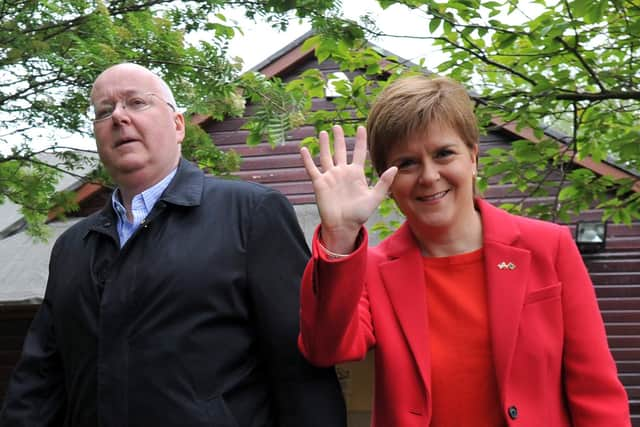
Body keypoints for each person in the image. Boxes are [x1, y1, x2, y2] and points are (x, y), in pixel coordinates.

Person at [0, 63, 346, 427]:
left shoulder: (250, 214)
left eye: (136, 102)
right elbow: (39, 381)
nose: (118, 116)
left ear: (178, 125)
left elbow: (299, 368)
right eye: (104, 111)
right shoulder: (73, 246)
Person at [297, 75, 631, 426]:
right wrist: (340, 235)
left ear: (473, 157)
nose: (429, 176)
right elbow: (325, 348)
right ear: (387, 181)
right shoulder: (370, 270)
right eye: (407, 163)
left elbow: (596, 392)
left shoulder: (549, 247)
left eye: (444, 154)